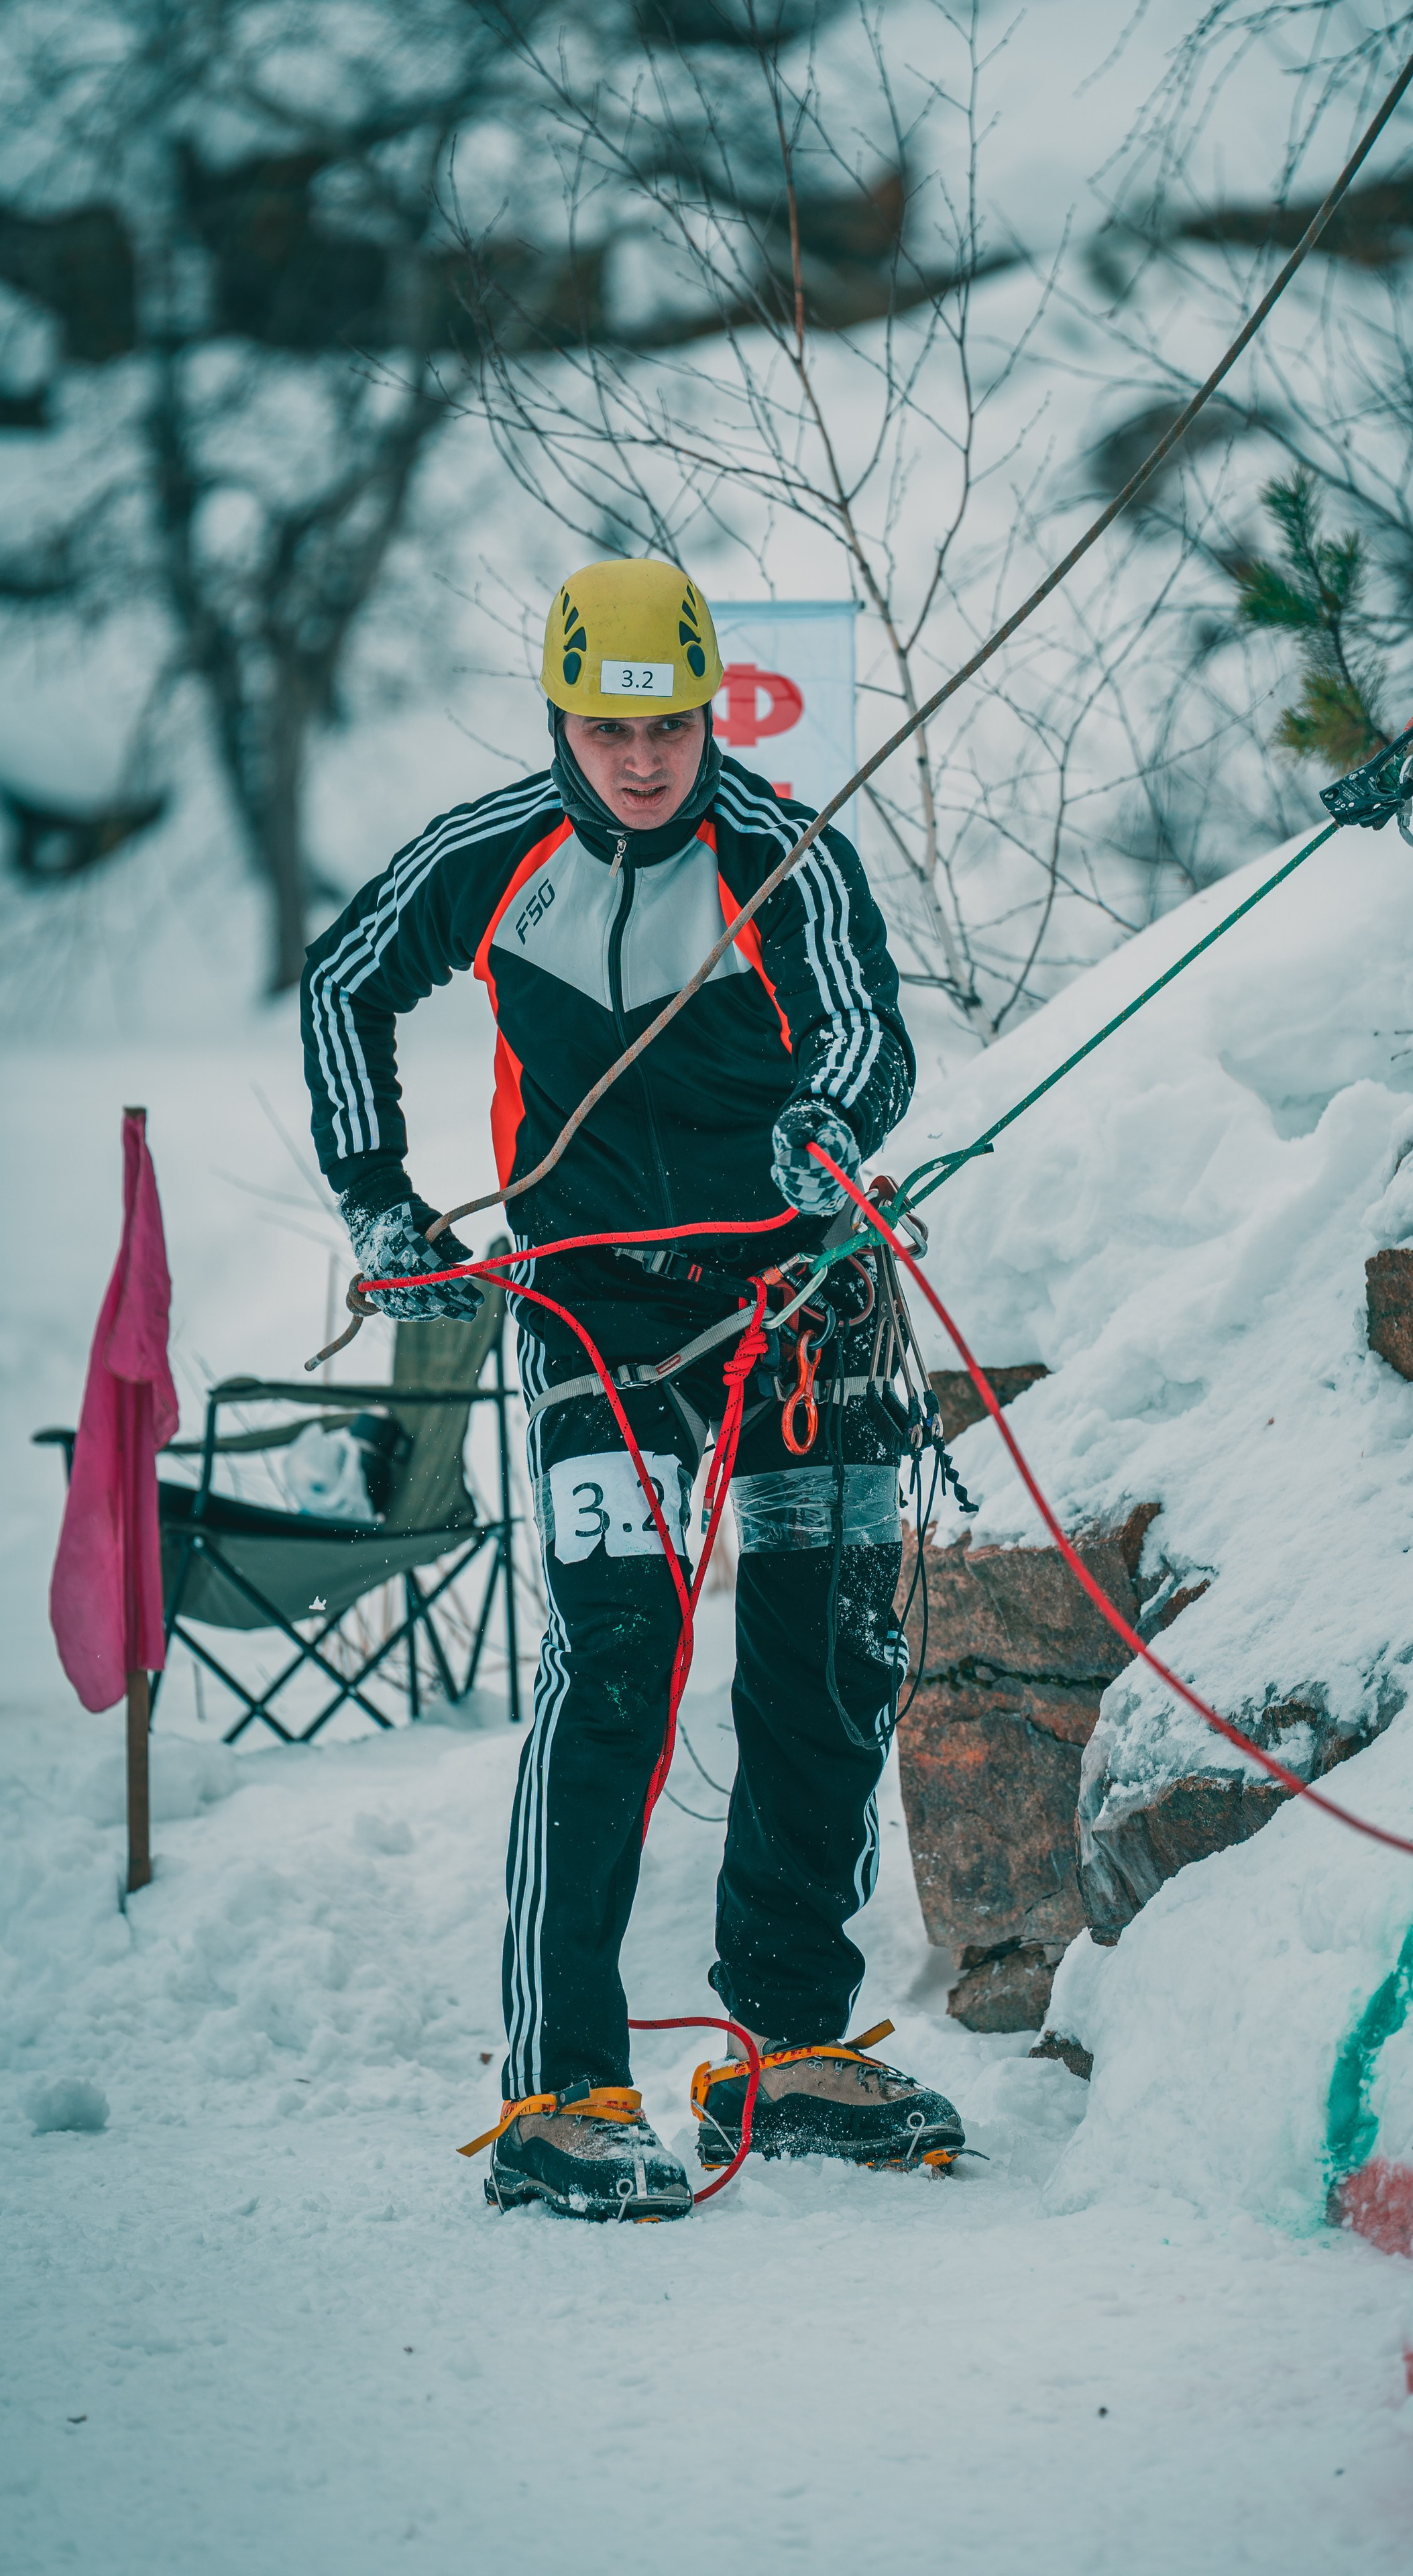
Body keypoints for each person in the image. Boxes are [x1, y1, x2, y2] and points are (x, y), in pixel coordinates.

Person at [300, 558, 965, 2220]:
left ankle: (790, 2051)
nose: (644, 759)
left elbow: (867, 1033)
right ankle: (559, 2092)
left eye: (668, 724)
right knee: (616, 1661)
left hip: (798, 1300)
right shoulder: (488, 854)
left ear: (706, 709)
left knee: (820, 1659)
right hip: (593, 1310)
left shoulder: (782, 849)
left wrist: (828, 1126)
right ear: (562, 717)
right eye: (609, 726)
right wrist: (376, 1192)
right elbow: (338, 985)